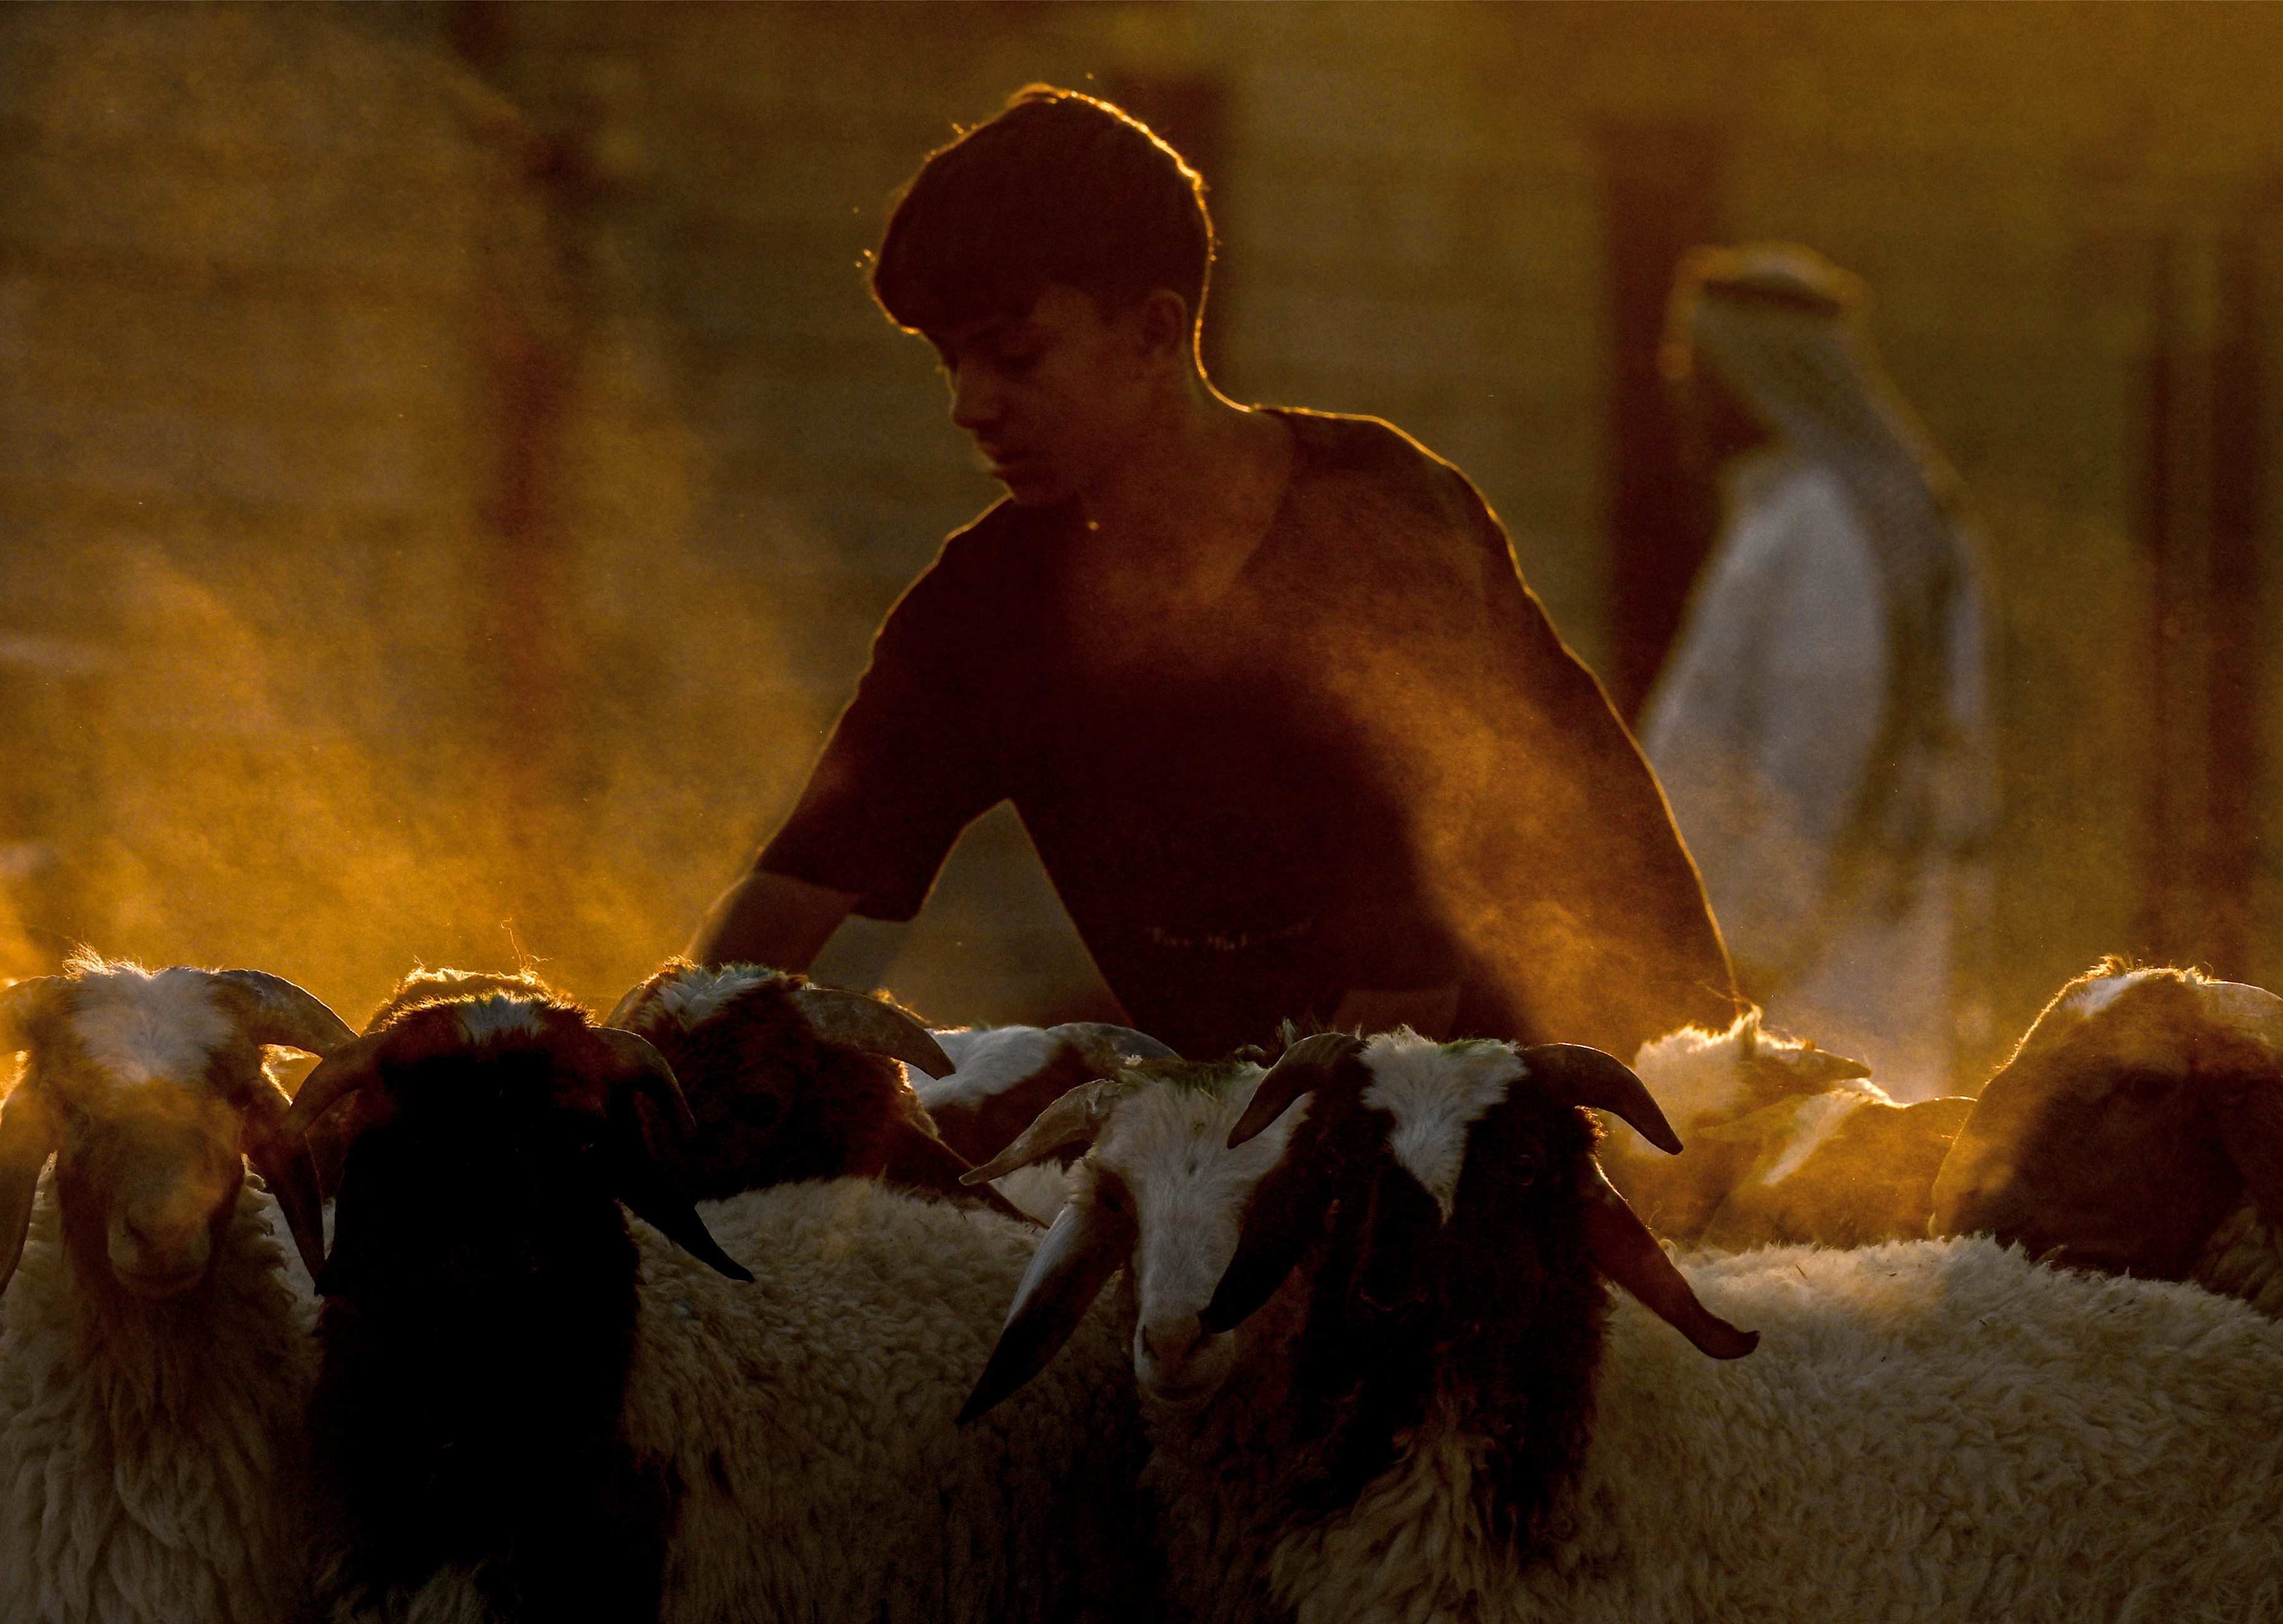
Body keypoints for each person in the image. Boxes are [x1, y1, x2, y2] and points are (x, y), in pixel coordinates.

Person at [689, 86, 1734, 1064]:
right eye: (946, 362)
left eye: (1015, 357)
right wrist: (662, 1058)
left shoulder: (1375, 521)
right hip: (1277, 1123)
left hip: (1596, 1105)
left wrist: (1239, 1177)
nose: (970, 406)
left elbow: (1409, 980)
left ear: (1152, 332)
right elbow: (799, 887)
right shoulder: (988, 609)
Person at [1639, 243, 1995, 1101]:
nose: (1686, 390)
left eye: (1702, 366)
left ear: (1759, 373)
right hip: (1804, 971)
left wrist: (1746, 958)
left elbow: (1820, 768)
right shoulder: (1801, 514)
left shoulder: (1828, 525)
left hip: (1808, 981)